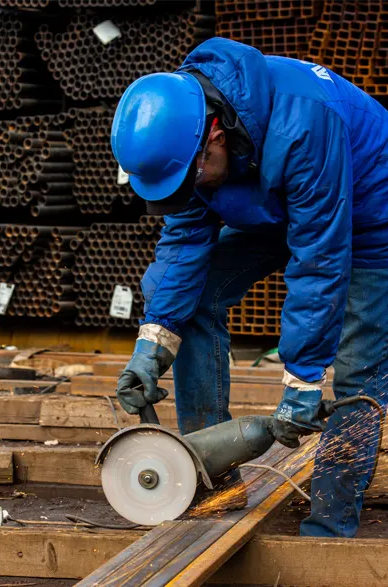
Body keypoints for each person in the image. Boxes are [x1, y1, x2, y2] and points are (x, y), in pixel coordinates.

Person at [110, 37, 388, 538]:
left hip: (368, 216)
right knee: (191, 302)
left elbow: (320, 262)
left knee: (358, 368)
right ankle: (210, 482)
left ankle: (329, 525)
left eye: (192, 180)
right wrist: (151, 344)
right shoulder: (189, 138)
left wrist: (302, 382)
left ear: (214, 137)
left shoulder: (303, 123)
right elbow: (183, 247)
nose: (190, 192)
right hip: (277, 202)